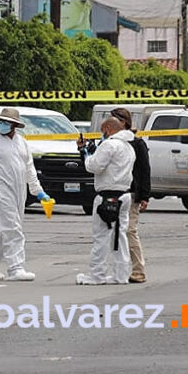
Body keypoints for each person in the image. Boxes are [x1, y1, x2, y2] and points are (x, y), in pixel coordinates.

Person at [0, 108, 52, 282]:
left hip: (18, 191)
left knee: (8, 229)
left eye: (6, 122)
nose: (2, 125)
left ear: (15, 125)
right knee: (13, 229)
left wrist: (38, 191)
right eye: (0, 121)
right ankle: (16, 268)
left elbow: (29, 169)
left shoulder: (21, 142)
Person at [76, 117, 136, 285]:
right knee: (120, 236)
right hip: (124, 195)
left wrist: (85, 153)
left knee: (101, 237)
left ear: (108, 129)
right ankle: (121, 274)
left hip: (106, 196)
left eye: (103, 131)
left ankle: (97, 274)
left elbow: (94, 167)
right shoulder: (128, 146)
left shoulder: (109, 145)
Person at [111, 107, 151, 284]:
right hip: (113, 193)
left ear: (124, 122)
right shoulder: (110, 142)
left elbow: (144, 170)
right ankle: (118, 269)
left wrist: (144, 196)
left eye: (114, 120)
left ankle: (138, 270)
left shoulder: (136, 143)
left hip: (132, 193)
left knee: (129, 231)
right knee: (112, 233)